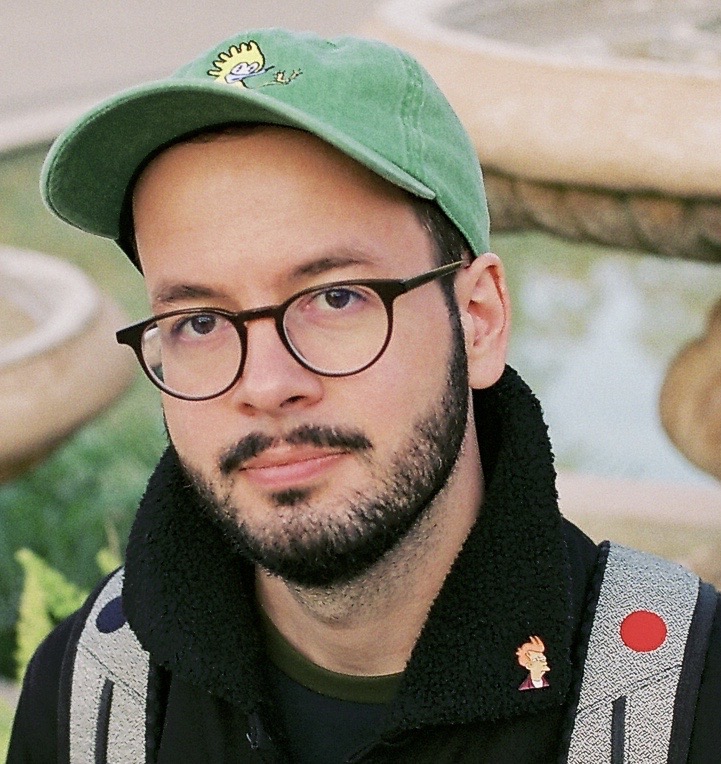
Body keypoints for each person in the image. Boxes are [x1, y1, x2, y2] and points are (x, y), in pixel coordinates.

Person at [7, 27, 721, 763]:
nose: (266, 385)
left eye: (336, 298)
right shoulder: (90, 701)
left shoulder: (690, 706)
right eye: (200, 322)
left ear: (478, 320)